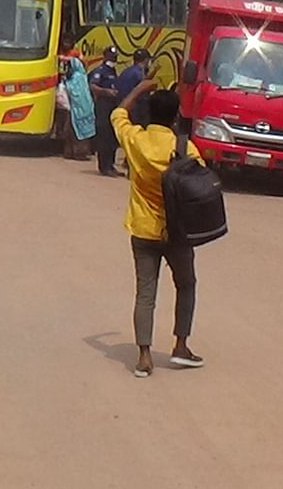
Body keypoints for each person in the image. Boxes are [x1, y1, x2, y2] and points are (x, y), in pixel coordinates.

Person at [112, 79, 205, 378]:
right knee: (186, 285)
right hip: (177, 232)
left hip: (143, 229)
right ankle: (180, 345)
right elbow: (200, 184)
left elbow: (118, 114)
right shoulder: (185, 147)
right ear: (176, 117)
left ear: (149, 114)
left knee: (145, 294)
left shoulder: (136, 140)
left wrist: (140, 88)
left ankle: (144, 356)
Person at [89, 46, 121, 176]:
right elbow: (93, 86)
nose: (113, 58)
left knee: (112, 136)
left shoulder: (113, 71)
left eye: (115, 56)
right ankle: (104, 166)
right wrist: (105, 92)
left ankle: (111, 165)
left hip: (113, 106)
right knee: (104, 136)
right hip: (103, 106)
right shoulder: (100, 70)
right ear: (105, 56)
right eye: (111, 56)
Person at [115, 48, 153, 127]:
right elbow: (143, 87)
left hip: (124, 107)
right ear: (146, 60)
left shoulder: (126, 71)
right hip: (137, 110)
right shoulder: (139, 73)